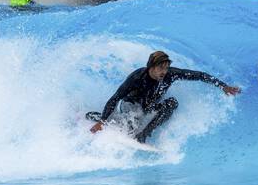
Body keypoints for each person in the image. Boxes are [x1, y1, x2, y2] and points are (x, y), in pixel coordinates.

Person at [90, 50, 240, 144]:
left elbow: (199, 75)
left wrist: (223, 86)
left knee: (172, 103)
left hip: (148, 107)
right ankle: (102, 119)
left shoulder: (171, 74)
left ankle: (144, 134)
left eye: (166, 68)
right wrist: (103, 121)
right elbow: (115, 98)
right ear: (151, 67)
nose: (164, 71)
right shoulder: (137, 77)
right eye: (160, 68)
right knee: (128, 127)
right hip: (131, 105)